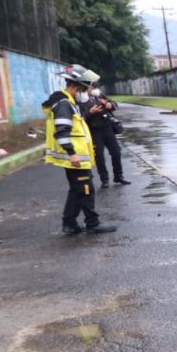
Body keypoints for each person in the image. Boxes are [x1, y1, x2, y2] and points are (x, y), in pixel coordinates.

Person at [43, 65, 116, 235]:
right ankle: (93, 223)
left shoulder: (69, 102)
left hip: (77, 156)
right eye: (84, 88)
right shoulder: (64, 104)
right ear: (76, 87)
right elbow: (61, 130)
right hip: (75, 157)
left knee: (77, 189)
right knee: (85, 189)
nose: (86, 92)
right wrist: (72, 154)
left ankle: (69, 223)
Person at [81, 85, 129, 187]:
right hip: (94, 131)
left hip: (108, 129)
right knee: (99, 157)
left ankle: (119, 177)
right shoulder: (81, 101)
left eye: (91, 87)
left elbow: (115, 104)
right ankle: (104, 180)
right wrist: (90, 112)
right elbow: (81, 117)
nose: (90, 89)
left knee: (116, 152)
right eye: (88, 88)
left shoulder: (100, 96)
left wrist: (109, 105)